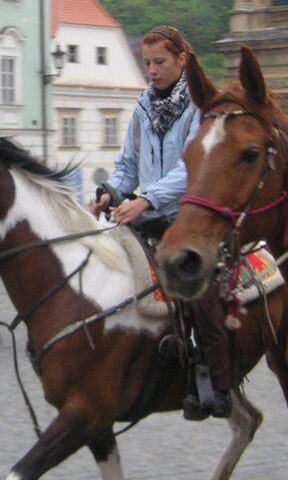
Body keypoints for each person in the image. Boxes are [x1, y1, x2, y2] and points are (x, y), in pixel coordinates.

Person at [89, 25, 234, 419]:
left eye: (159, 62)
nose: (151, 70)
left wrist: (145, 198)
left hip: (188, 216)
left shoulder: (200, 106)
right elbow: (127, 166)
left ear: (182, 60)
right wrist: (110, 192)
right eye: (146, 63)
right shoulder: (143, 106)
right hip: (144, 214)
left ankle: (216, 382)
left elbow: (194, 168)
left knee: (197, 291)